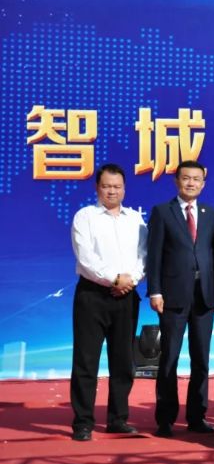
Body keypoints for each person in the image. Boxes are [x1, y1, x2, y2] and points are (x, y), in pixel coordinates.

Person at [69, 163, 147, 441]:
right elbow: (85, 257)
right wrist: (114, 279)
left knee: (123, 360)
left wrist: (130, 280)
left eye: (117, 186)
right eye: (106, 186)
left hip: (127, 296)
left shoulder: (135, 219)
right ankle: (83, 422)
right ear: (97, 188)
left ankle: (118, 419)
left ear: (124, 189)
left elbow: (144, 256)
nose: (112, 191)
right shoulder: (85, 217)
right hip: (92, 295)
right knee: (86, 360)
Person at [147, 160, 214, 437]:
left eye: (196, 179)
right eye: (186, 178)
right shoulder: (162, 212)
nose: (191, 183)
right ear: (176, 181)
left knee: (201, 360)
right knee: (170, 358)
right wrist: (155, 290)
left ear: (203, 183)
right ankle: (165, 419)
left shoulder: (210, 214)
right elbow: (154, 255)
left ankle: (197, 417)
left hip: (204, 297)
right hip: (172, 297)